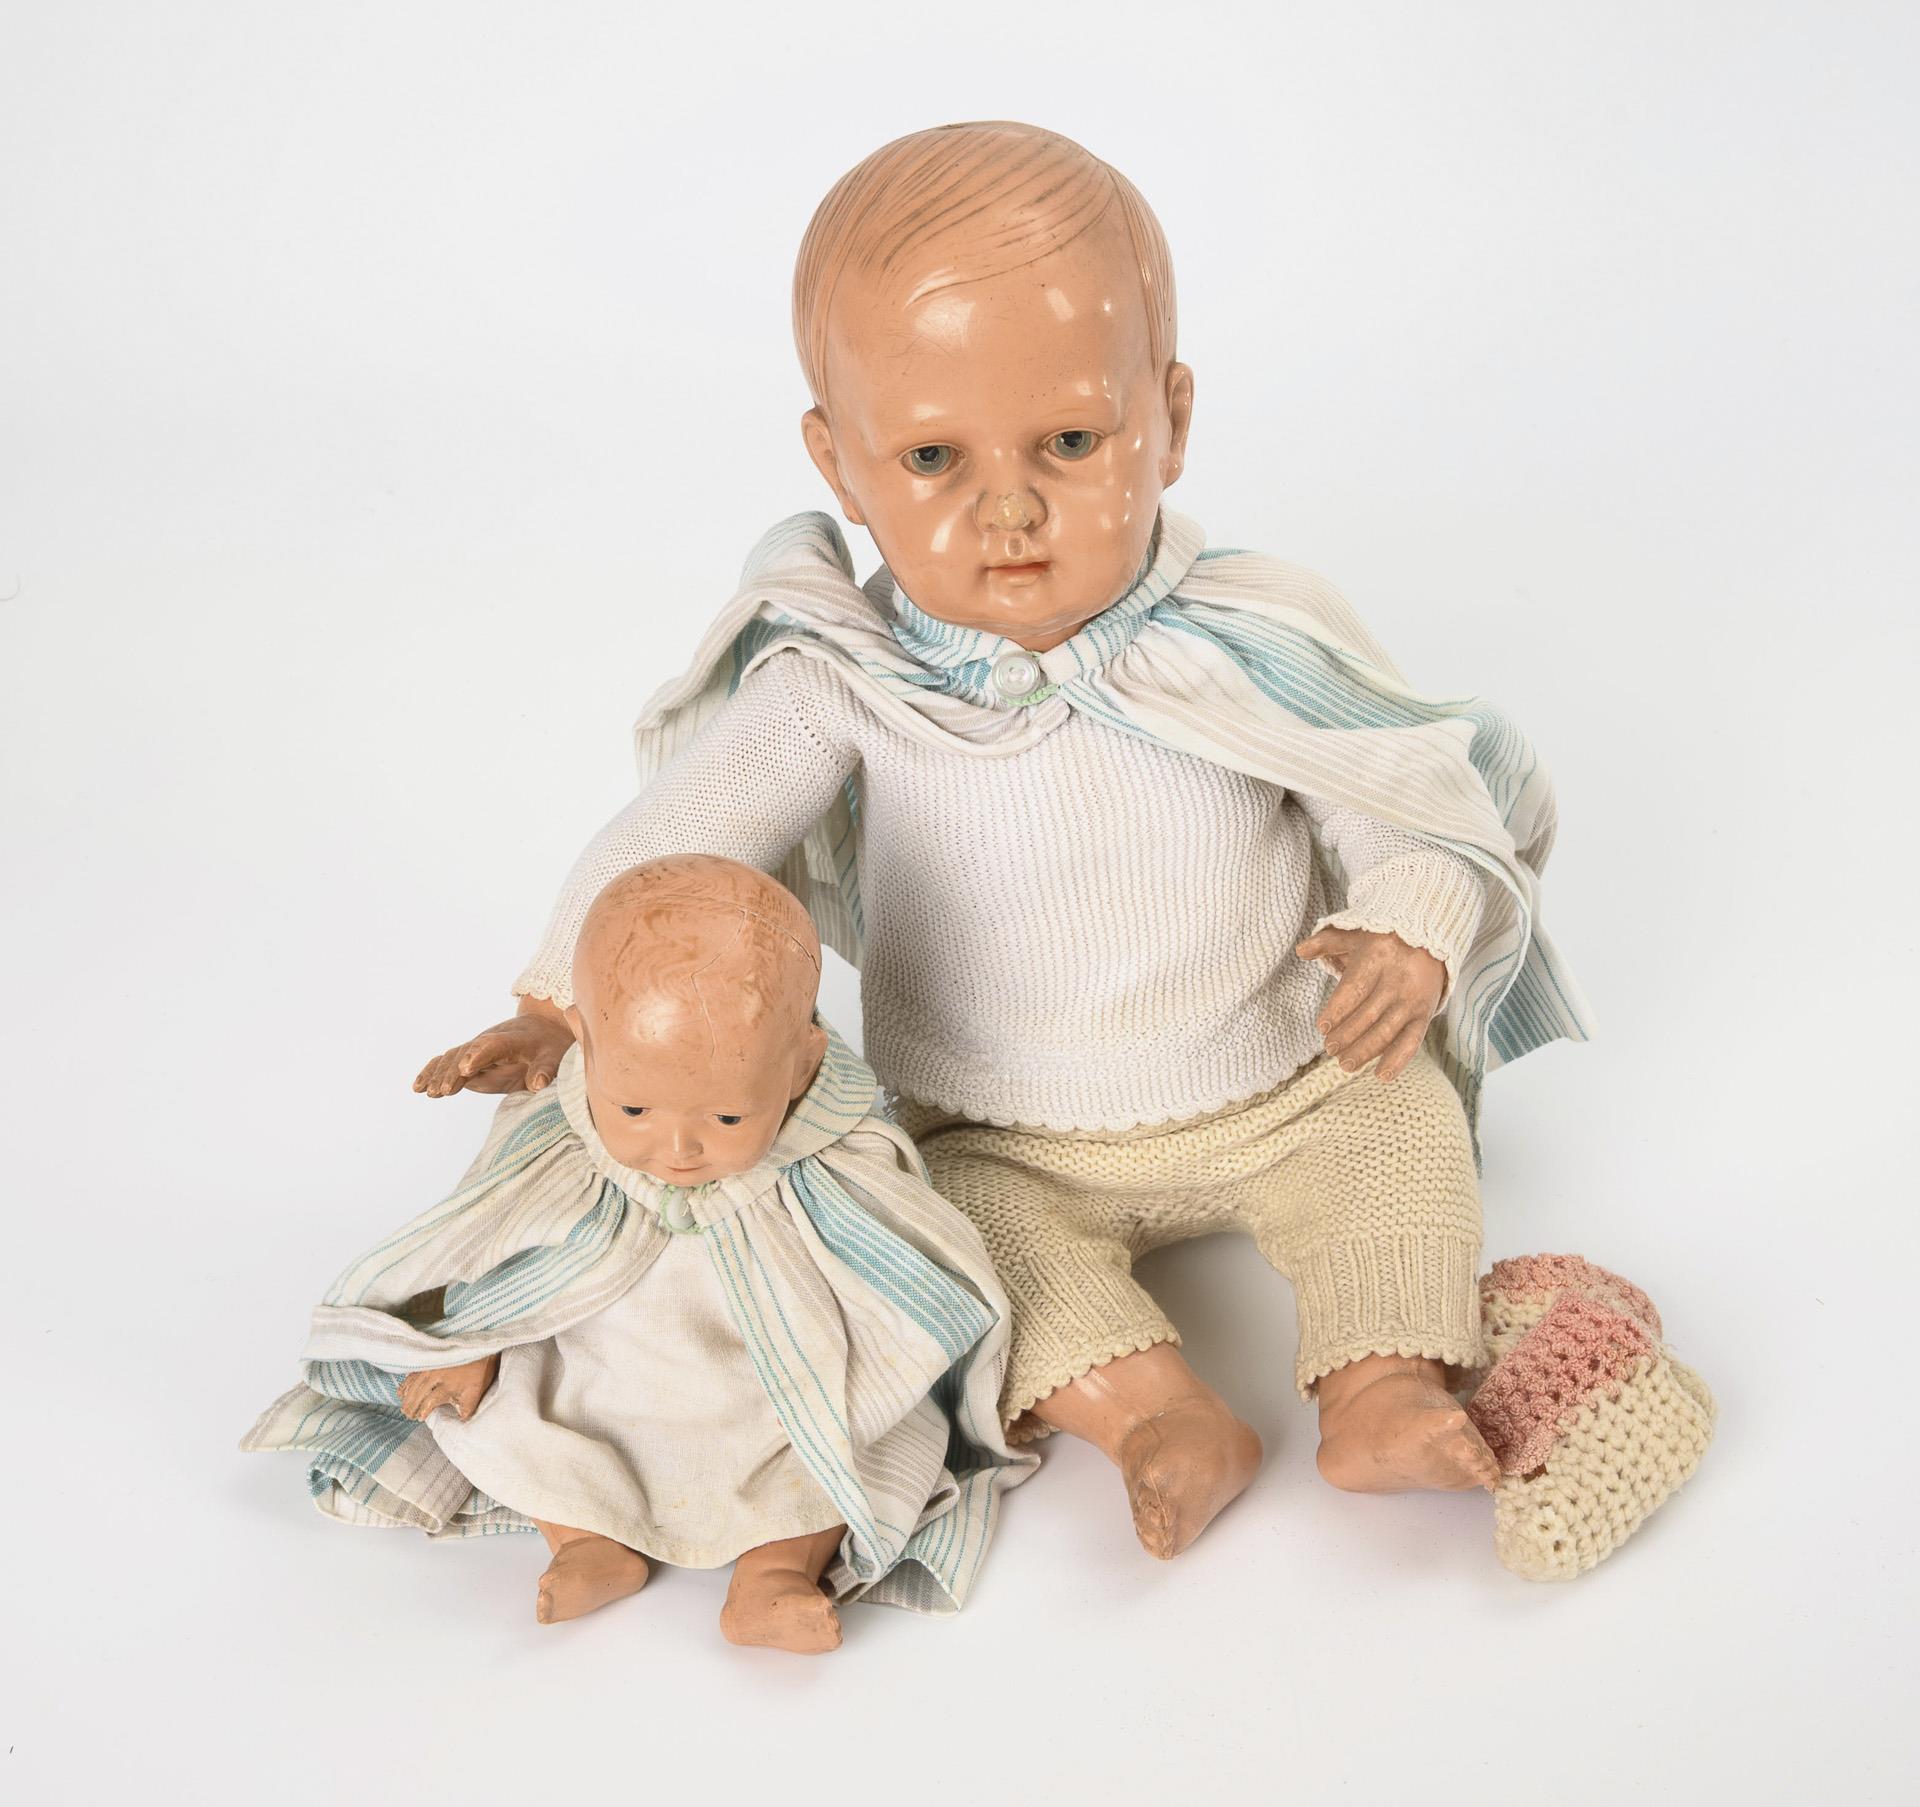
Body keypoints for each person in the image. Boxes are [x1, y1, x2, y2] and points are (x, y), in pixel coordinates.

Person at [415, 121, 1591, 1562]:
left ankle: (1384, 1382)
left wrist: (1409, 927)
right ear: (839, 463)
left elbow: (1395, 785)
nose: (1011, 505)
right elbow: (680, 838)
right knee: (950, 1241)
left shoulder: (1245, 636)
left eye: (1072, 442)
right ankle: (1157, 1414)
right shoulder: (844, 682)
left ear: (1171, 418)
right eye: (931, 456)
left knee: (1402, 1136)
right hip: (998, 1126)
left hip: (1291, 1074)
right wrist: (563, 998)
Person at [245, 855, 1031, 1652]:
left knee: (858, 1443)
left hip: (775, 1392)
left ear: (802, 1062)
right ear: (585, 1044)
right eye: (634, 1108)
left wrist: (921, 1354)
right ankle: (585, 1542)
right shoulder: (561, 1138)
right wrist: (475, 1345)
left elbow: (901, 1260)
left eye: (727, 1118)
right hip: (595, 1379)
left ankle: (776, 1574)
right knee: (517, 1425)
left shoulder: (837, 1150)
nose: (677, 1148)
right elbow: (498, 1239)